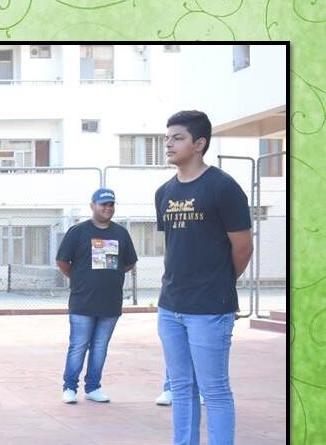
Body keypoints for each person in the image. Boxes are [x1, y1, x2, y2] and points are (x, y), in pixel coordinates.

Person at [156, 110, 253, 444]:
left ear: (199, 144)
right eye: (167, 138)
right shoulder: (164, 192)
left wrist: (219, 283)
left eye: (178, 138)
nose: (169, 144)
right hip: (170, 307)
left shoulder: (223, 188)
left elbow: (243, 247)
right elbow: (177, 246)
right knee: (181, 387)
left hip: (210, 309)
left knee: (214, 390)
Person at [56, 188, 138, 404]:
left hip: (110, 303)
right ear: (92, 206)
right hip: (83, 302)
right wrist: (79, 278)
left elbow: (129, 262)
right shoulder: (78, 232)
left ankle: (93, 387)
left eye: (111, 204)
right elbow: (62, 261)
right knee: (78, 345)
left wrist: (111, 275)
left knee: (100, 347)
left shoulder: (121, 233)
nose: (108, 208)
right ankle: (70, 387)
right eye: (103, 204)